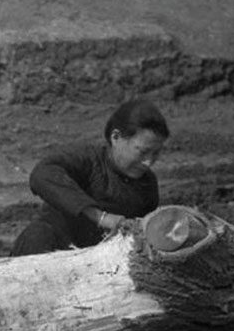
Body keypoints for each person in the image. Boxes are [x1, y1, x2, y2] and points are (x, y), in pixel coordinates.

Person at [11, 98, 169, 256]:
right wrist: (101, 217)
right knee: (37, 234)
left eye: (156, 153)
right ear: (116, 137)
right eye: (142, 152)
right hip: (52, 251)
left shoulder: (147, 184)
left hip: (100, 265)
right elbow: (42, 175)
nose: (149, 162)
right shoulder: (85, 160)